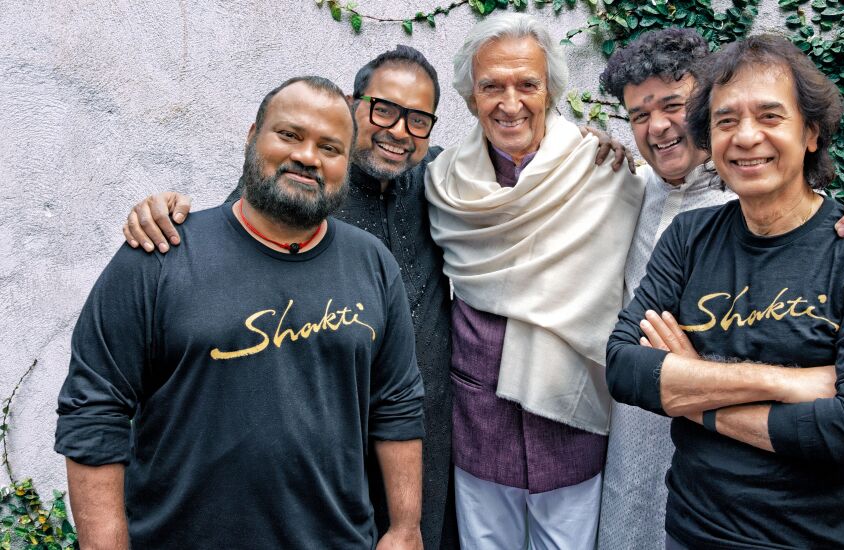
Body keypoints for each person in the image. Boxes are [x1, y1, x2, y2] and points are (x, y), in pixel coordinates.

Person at [116, 45, 632, 550]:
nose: (398, 131)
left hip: (423, 441)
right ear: (352, 105)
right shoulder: (308, 191)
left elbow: (511, 165)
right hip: (326, 443)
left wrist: (578, 145)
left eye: (418, 120)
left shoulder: (439, 181)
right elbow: (237, 225)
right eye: (384, 109)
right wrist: (164, 210)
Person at [55, 76, 426, 549]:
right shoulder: (161, 255)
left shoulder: (372, 264)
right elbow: (94, 407)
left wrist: (405, 528)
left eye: (329, 148)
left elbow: (396, 405)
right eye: (289, 135)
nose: (308, 156)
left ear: (346, 163)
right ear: (253, 136)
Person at [596, 28, 844, 549]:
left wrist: (691, 390)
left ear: (811, 132)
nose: (746, 137)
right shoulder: (688, 235)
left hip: (814, 538)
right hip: (692, 532)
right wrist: (788, 382)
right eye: (726, 121)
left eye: (769, 117)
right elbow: (624, 366)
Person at [423, 13, 644, 549]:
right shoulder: (442, 182)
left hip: (573, 418)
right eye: (491, 86)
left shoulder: (602, 169)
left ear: (551, 91)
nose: (510, 103)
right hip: (480, 414)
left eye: (527, 84)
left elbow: (686, 191)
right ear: (470, 97)